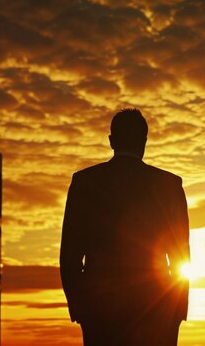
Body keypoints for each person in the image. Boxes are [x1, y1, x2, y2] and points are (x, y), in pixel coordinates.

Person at [60, 108, 190, 346]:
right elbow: (181, 254)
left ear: (111, 140)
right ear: (145, 141)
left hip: (99, 311)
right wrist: (178, 310)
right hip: (157, 309)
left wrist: (81, 308)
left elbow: (70, 254)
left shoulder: (84, 182)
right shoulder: (169, 184)